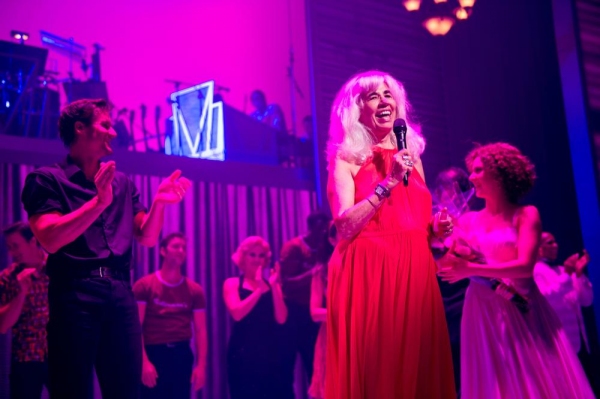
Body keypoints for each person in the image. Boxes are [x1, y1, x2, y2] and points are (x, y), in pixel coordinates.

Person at [20, 98, 191, 399]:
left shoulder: (122, 183)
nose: (113, 133)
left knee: (125, 390)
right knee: (72, 389)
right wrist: (98, 202)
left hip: (121, 292)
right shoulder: (46, 179)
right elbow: (49, 238)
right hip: (75, 293)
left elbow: (147, 237)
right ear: (80, 128)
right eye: (106, 125)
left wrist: (160, 203)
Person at [325, 70, 456, 399]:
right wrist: (388, 183)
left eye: (388, 94)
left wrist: (437, 231)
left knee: (419, 370)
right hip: (371, 274)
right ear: (358, 109)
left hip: (416, 271)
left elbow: (419, 225)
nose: (383, 101)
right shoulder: (347, 159)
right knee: (382, 371)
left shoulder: (413, 156)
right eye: (373, 96)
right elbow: (343, 226)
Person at [439, 142, 595, 399]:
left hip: (520, 307)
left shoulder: (526, 214)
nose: (472, 177)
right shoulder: (467, 220)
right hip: (480, 309)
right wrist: (439, 236)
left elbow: (524, 267)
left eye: (478, 170)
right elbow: (446, 263)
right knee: (492, 379)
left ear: (500, 174)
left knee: (531, 376)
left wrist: (470, 268)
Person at [133, 232, 207, 398]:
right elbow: (136, 327)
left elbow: (201, 330)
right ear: (163, 251)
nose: (181, 250)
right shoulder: (145, 286)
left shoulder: (195, 290)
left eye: (184, 248)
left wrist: (201, 366)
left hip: (181, 354)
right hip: (153, 353)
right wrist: (144, 362)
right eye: (176, 246)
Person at [431, 166, 478, 397]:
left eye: (448, 188)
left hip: (469, 295)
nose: (442, 194)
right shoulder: (433, 222)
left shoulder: (474, 222)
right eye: (439, 189)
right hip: (438, 300)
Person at [223, 236, 288, 399]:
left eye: (261, 255)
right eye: (252, 254)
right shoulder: (232, 283)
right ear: (243, 257)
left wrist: (273, 287)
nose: (257, 259)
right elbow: (237, 313)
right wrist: (259, 289)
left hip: (270, 351)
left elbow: (281, 318)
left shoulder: (272, 284)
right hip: (243, 352)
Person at [534, 232, 598, 393]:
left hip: (579, 340)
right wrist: (568, 274)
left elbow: (586, 300)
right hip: (560, 343)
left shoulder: (561, 270)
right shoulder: (536, 271)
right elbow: (545, 298)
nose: (556, 245)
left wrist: (578, 274)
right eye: (550, 242)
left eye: (555, 241)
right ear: (539, 248)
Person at [279, 210, 331, 397]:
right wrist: (313, 274)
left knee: (316, 365)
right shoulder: (294, 247)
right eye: (320, 230)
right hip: (293, 312)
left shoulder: (324, 249)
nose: (322, 234)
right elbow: (285, 282)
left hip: (315, 316)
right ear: (311, 228)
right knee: (286, 368)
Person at [0, 222, 49, 399]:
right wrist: (21, 294)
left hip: (61, 352)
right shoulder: (7, 277)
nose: (12, 253)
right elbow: (3, 325)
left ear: (33, 242)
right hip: (26, 356)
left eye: (16, 246)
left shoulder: (57, 269)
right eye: (9, 247)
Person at [308, 222, 338, 399]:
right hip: (332, 334)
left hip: (361, 332)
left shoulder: (362, 264)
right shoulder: (321, 272)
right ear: (332, 240)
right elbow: (314, 312)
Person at [249, 90, 290, 165]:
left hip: (277, 143)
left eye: (260, 98)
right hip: (261, 147)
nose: (259, 100)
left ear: (264, 98)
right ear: (253, 103)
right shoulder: (253, 116)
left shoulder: (273, 108)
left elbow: (276, 128)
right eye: (256, 99)